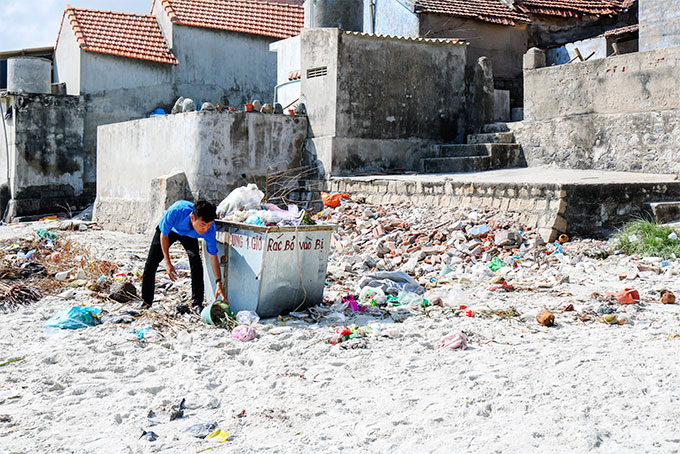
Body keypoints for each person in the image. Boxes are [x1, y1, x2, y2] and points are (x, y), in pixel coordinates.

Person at [141, 200, 226, 313]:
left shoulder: (210, 230)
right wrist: (168, 262)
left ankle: (197, 304)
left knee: (195, 260)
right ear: (192, 218)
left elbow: (213, 256)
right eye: (202, 225)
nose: (205, 229)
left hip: (189, 235)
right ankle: (146, 302)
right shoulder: (176, 212)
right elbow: (163, 235)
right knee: (151, 263)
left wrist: (219, 282)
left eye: (208, 225)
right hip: (170, 230)